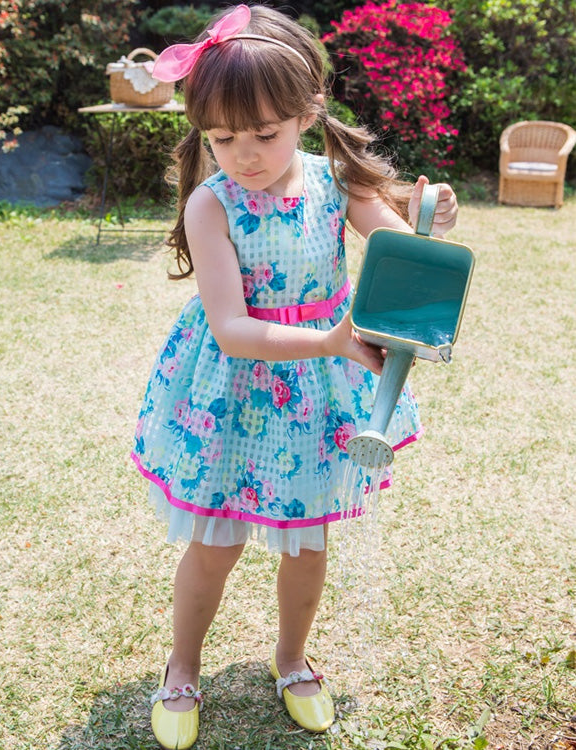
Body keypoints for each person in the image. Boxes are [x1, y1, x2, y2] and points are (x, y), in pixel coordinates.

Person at [131, 5, 458, 748]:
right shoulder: (210, 205)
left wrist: (432, 220)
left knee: (308, 544)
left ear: (309, 111)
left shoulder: (335, 182)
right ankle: (182, 668)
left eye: (264, 134)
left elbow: (403, 249)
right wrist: (335, 340)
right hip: (235, 397)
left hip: (317, 397)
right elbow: (233, 330)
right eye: (222, 138)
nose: (243, 154)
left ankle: (292, 661)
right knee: (215, 546)